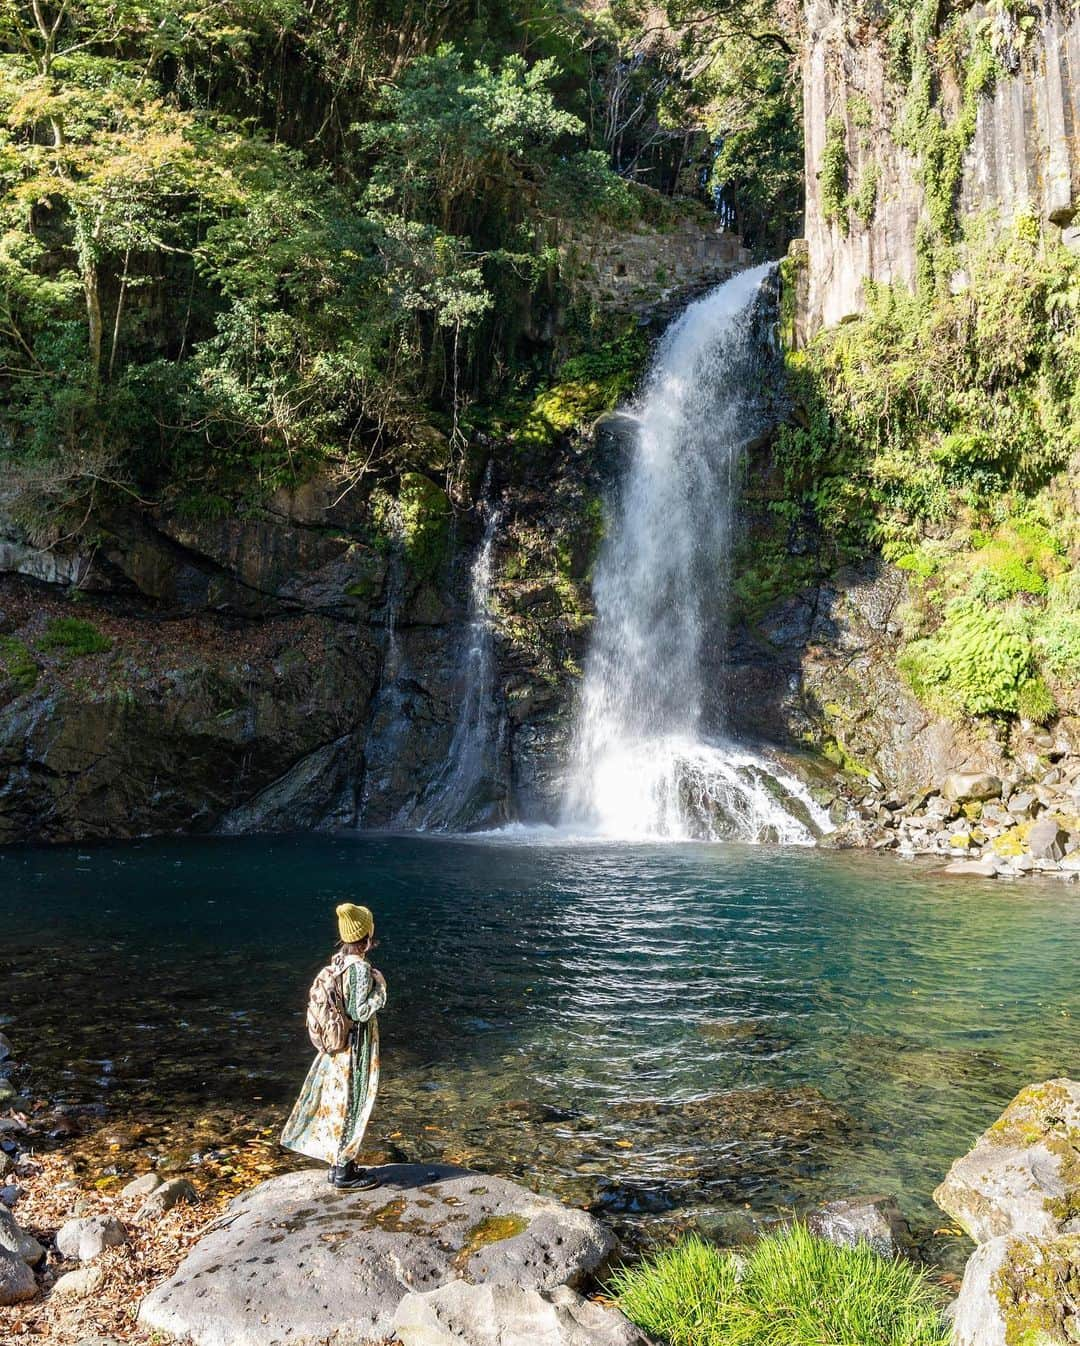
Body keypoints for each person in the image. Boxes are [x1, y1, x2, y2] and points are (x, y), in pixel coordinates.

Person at [281, 903, 387, 1189]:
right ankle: (345, 1172)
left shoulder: (339, 961)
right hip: (356, 1048)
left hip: (338, 1048)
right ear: (367, 934)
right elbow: (360, 1012)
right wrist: (381, 990)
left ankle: (341, 1164)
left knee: (338, 1101)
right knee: (354, 1102)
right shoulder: (362, 970)